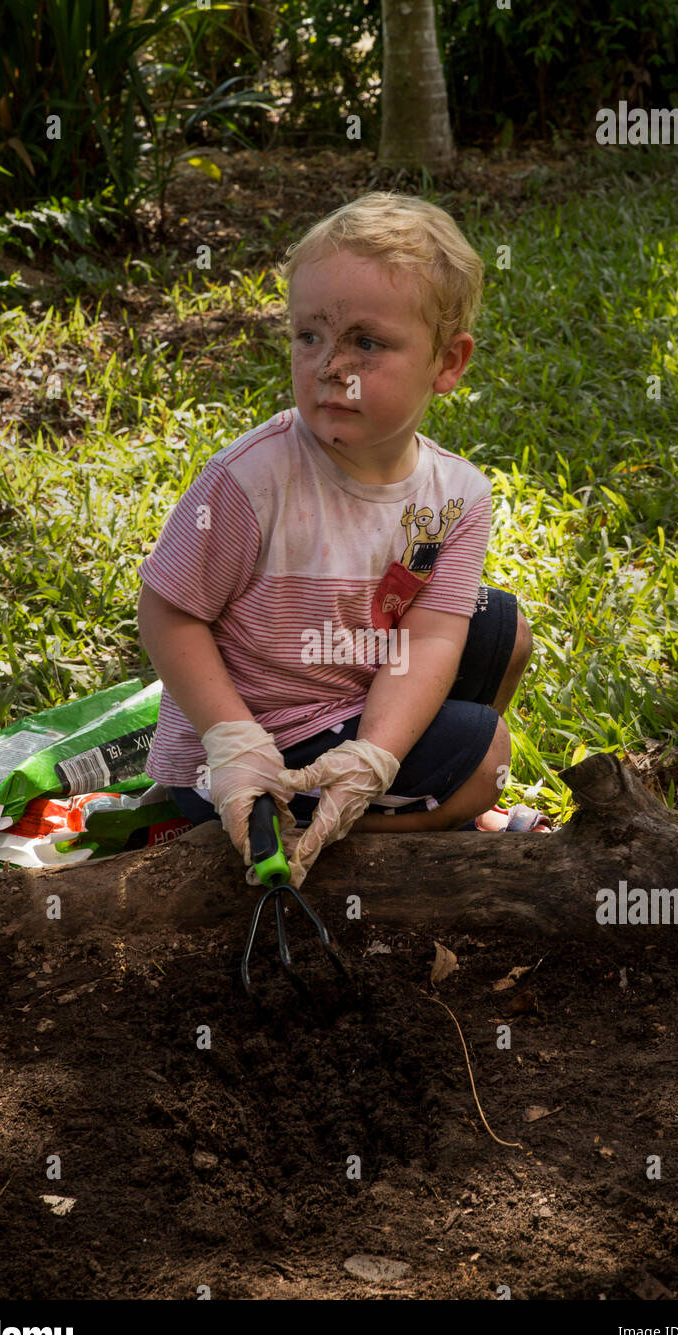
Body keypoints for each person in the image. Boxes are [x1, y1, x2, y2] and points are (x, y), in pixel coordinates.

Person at [137, 191, 548, 890]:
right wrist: (233, 744)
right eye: (309, 336)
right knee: (485, 759)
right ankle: (321, 828)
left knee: (503, 629)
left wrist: (376, 754)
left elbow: (432, 638)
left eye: (366, 341)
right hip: (258, 743)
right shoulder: (252, 479)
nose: (331, 365)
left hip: (353, 700)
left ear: (447, 363)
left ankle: (382, 793)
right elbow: (168, 611)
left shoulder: (459, 495)